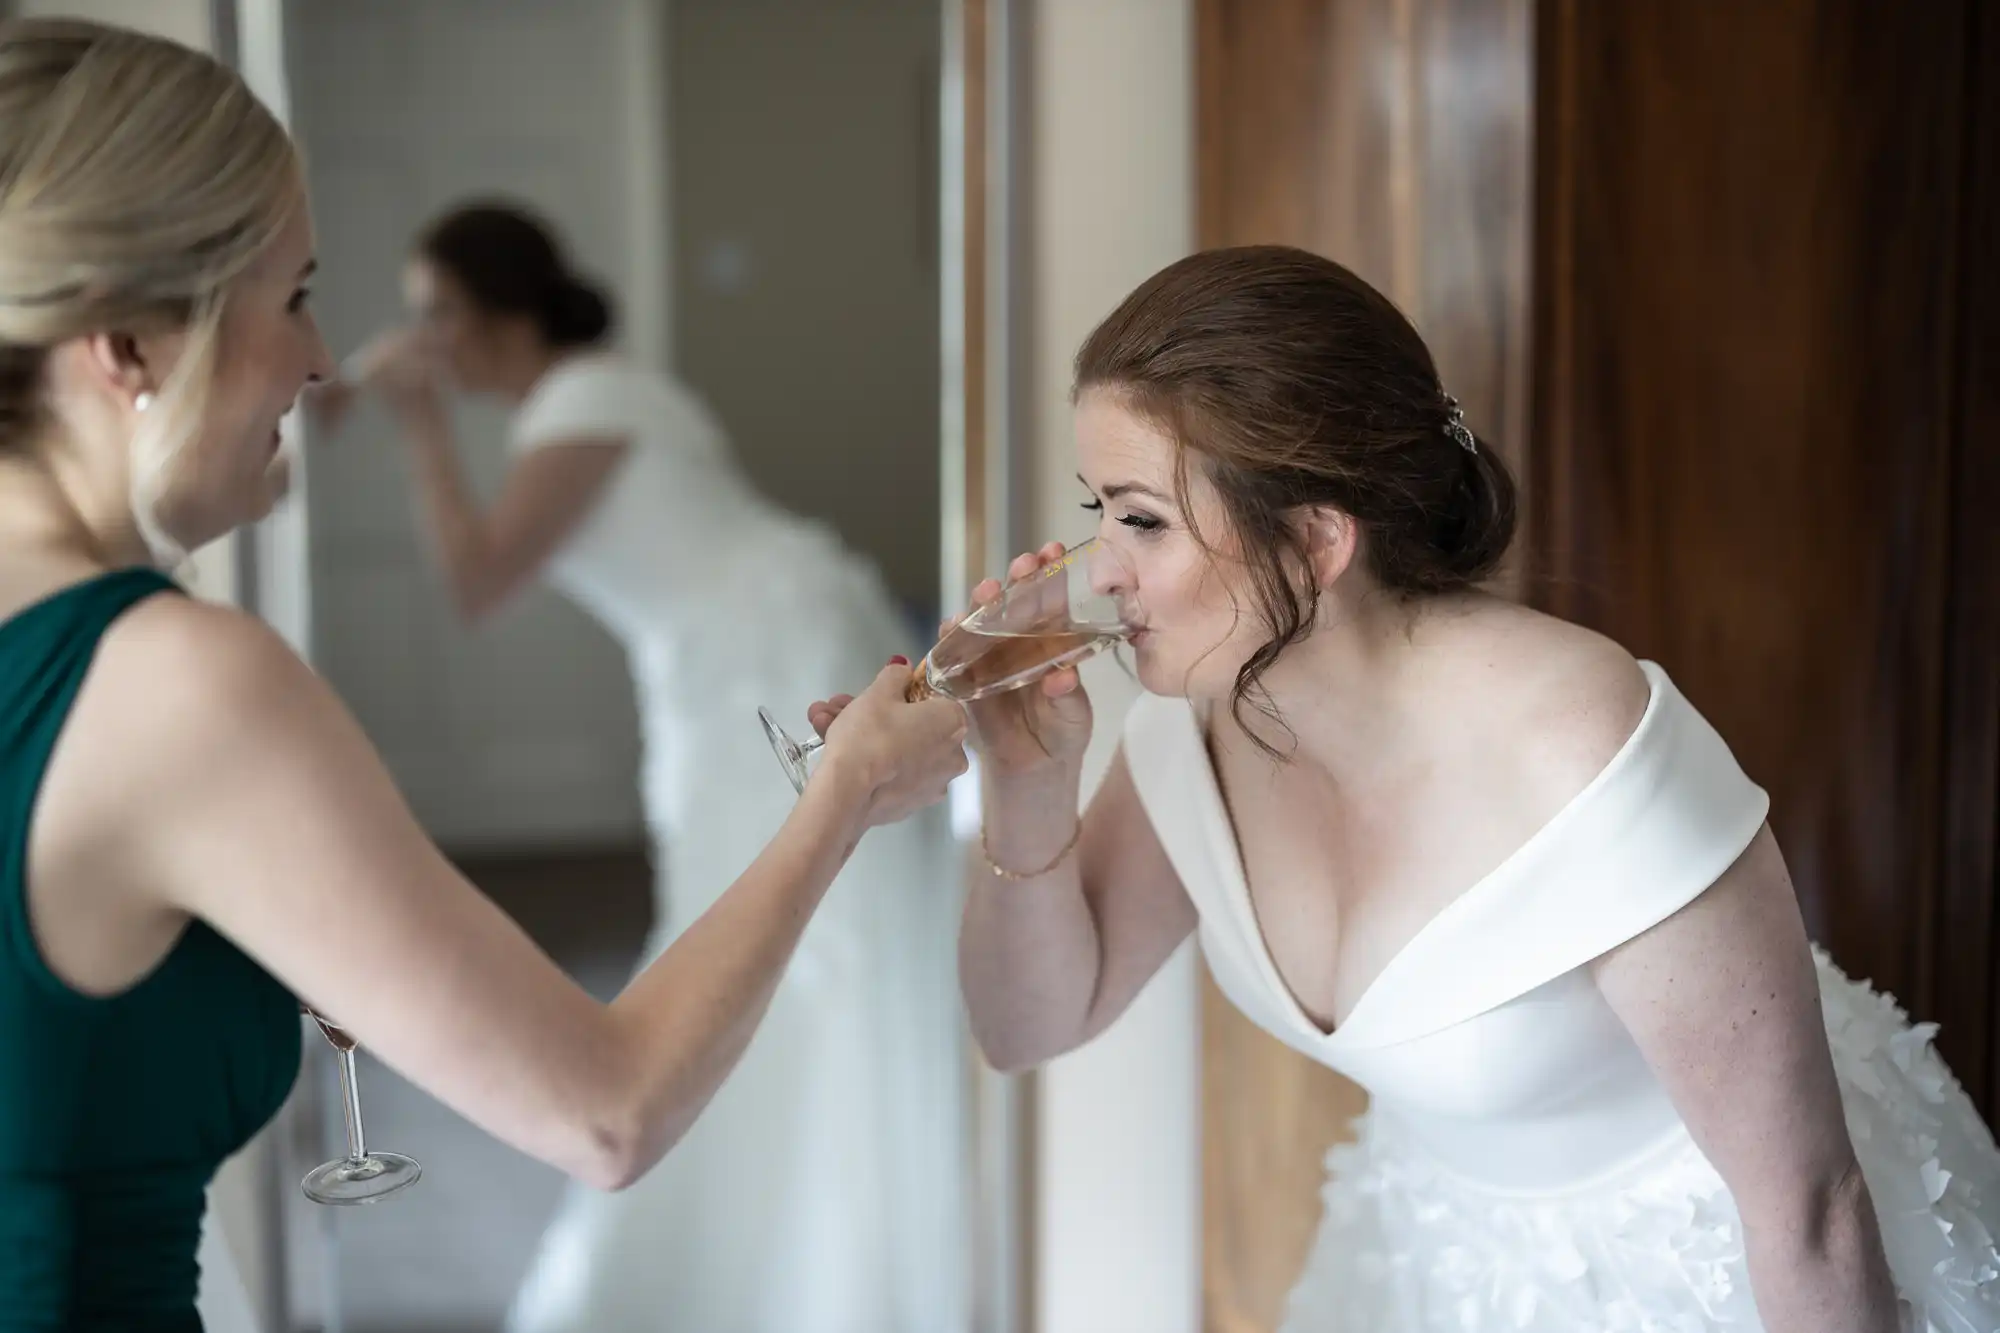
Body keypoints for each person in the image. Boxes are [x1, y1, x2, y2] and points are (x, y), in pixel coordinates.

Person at [0, 19, 965, 1332]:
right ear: (126, 349)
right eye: (289, 298)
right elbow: (606, 1112)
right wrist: (846, 790)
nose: (323, 354)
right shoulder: (174, 684)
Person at [943, 246, 2000, 1331]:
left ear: (1313, 541)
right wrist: (1025, 784)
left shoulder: (1579, 743)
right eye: (1099, 511)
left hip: (1716, 1261)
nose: (1097, 569)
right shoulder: (1185, 730)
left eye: (1140, 518)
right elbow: (1024, 1026)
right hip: (1436, 1261)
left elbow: (1808, 1209)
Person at [318, 202, 968, 1332]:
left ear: (499, 311)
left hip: (765, 663)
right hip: (718, 664)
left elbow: (476, 583)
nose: (423, 338)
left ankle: (813, 1266)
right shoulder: (585, 394)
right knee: (741, 928)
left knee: (782, 934)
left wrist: (419, 428)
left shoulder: (584, 402)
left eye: (438, 314)